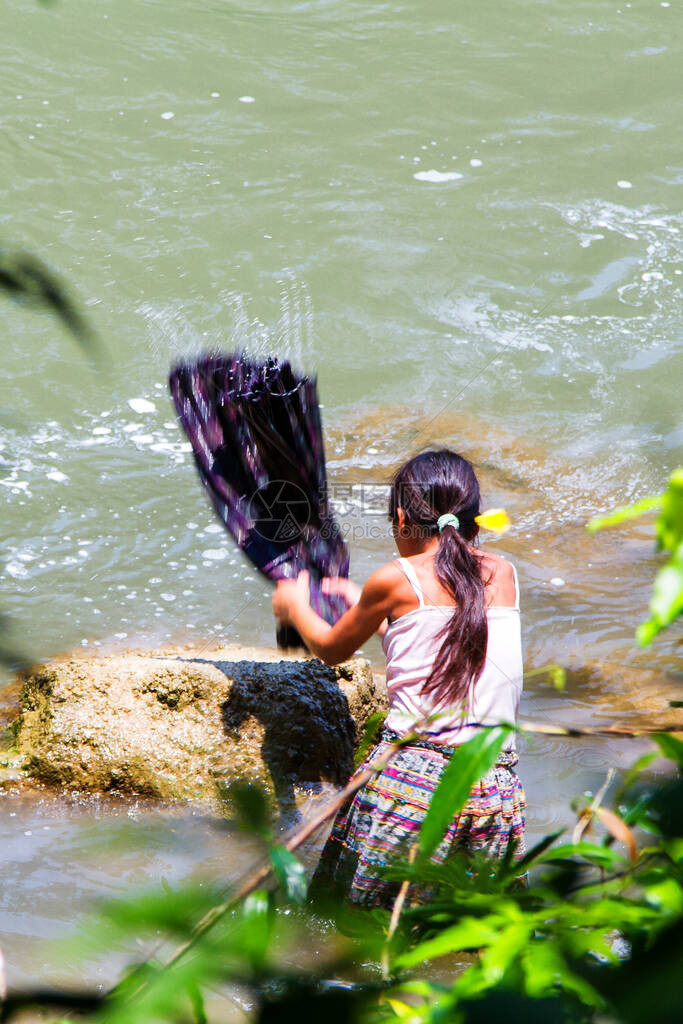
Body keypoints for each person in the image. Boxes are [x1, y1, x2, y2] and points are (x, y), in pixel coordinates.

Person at [272, 448, 525, 908]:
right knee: (472, 934)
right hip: (492, 786)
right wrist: (365, 603)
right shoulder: (502, 574)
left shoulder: (393, 579)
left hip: (413, 784)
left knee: (357, 931)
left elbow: (331, 649)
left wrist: (296, 606)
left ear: (403, 518)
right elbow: (438, 641)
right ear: (475, 519)